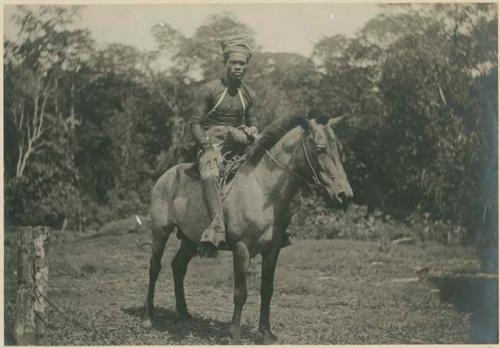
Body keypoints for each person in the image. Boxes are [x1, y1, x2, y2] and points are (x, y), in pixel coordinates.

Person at [190, 35, 259, 250]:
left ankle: (272, 227)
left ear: (247, 66)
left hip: (238, 145)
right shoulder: (209, 90)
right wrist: (206, 147)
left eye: (242, 64)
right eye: (233, 63)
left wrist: (251, 130)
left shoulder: (248, 94)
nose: (238, 67)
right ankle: (216, 226)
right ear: (225, 64)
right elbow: (195, 124)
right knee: (210, 172)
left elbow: (253, 124)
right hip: (212, 144)